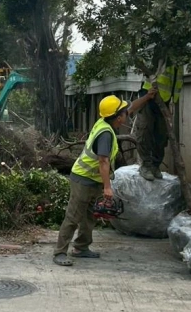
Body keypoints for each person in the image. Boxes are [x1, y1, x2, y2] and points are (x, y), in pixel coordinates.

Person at [54, 90, 155, 266]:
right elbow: (103, 161)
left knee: (90, 216)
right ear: (118, 118)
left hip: (93, 179)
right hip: (83, 179)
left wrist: (147, 97)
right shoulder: (106, 134)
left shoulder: (105, 120)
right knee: (74, 216)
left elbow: (130, 108)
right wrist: (108, 188)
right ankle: (60, 252)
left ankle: (81, 247)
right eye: (123, 113)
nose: (127, 114)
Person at [137, 62, 183, 180]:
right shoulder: (160, 50)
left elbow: (177, 83)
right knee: (145, 131)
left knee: (162, 136)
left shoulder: (179, 58)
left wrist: (173, 103)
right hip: (149, 95)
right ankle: (146, 165)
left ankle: (155, 166)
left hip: (166, 101)